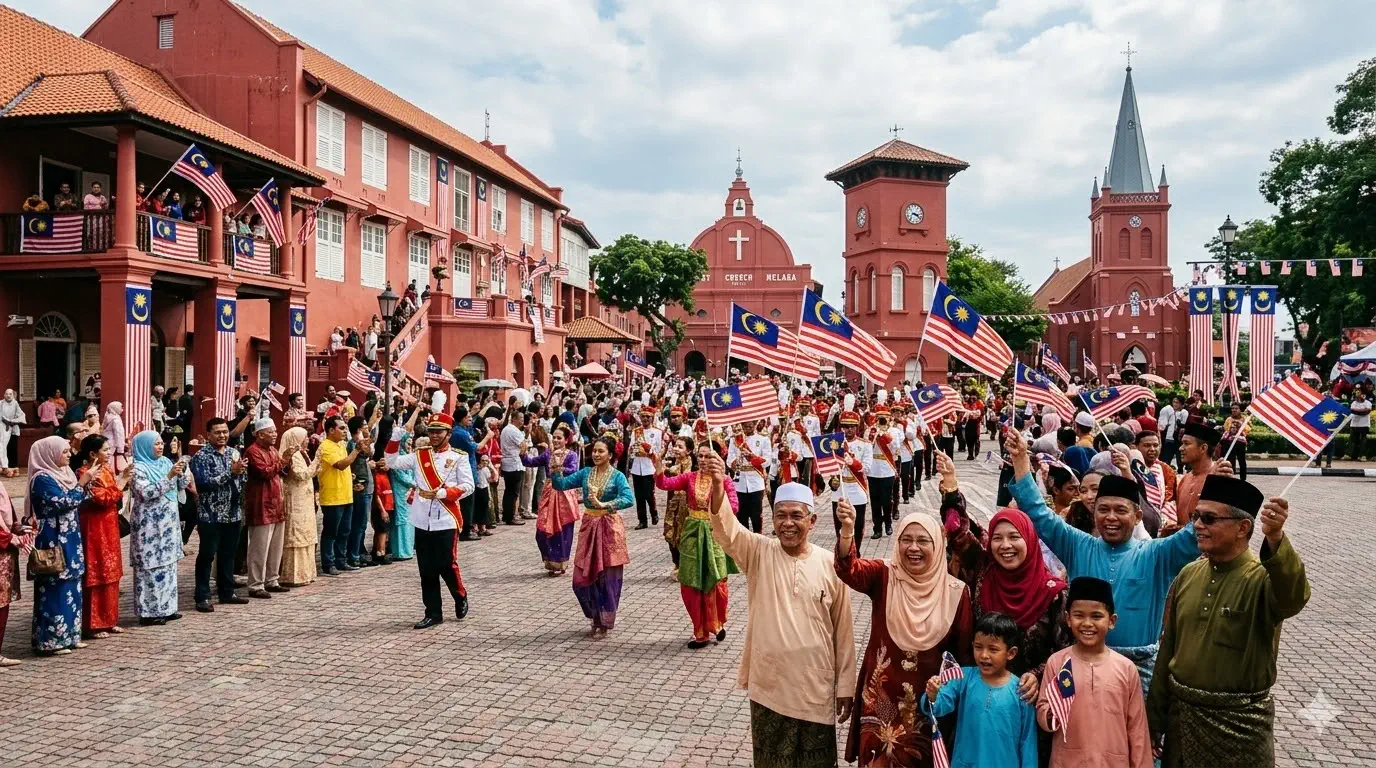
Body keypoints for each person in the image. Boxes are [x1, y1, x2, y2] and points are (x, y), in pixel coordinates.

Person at [1005, 431, 1200, 700]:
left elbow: (1197, 533)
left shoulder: (1158, 554)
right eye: (1103, 509)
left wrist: (1213, 480)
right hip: (1082, 665)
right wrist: (1021, 462)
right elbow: (1038, 513)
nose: (1111, 517)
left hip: (1138, 671)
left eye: (1121, 510)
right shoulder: (1077, 544)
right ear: (1093, 512)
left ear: (1137, 515)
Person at [1147, 476, 1310, 766]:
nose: (1197, 525)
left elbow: (1293, 597)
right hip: (1182, 721)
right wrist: (1154, 719)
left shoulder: (1262, 579)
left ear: (1242, 528)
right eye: (1196, 516)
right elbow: (1168, 648)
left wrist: (1275, 539)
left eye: (1209, 518)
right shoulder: (1188, 575)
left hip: (1240, 729)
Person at [710, 479, 855, 768]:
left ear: (812, 521)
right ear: (772, 519)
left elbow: (844, 631)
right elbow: (727, 531)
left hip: (815, 687)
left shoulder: (830, 564)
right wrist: (716, 486)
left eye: (796, 516)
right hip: (770, 688)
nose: (787, 524)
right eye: (781, 515)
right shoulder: (759, 552)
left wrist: (846, 687)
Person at [834, 498, 973, 766]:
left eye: (923, 541)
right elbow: (848, 569)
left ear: (938, 545)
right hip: (880, 703)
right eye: (905, 540)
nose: (913, 548)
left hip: (929, 706)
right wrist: (848, 530)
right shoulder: (885, 575)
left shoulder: (957, 593)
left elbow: (963, 657)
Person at [1036, 577, 1151, 768]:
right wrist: (1051, 714)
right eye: (1079, 615)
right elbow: (1043, 708)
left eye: (1096, 616)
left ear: (1112, 621)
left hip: (1113, 761)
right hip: (1067, 761)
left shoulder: (1126, 668)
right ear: (1068, 619)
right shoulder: (1057, 662)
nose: (1087, 623)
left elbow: (1137, 729)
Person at [381, 412, 473, 629]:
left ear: (448, 434)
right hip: (422, 519)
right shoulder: (419, 455)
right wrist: (398, 435)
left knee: (446, 565)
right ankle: (433, 612)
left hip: (446, 518)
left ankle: (460, 595)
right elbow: (392, 461)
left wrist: (444, 493)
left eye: (438, 431)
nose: (433, 435)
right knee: (426, 568)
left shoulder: (459, 457)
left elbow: (468, 486)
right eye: (431, 431)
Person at [921, 613, 1039, 768]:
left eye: (993, 649)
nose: (984, 655)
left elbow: (1028, 743)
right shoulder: (963, 678)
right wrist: (933, 695)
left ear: (1010, 653)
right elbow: (939, 706)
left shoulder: (1022, 690)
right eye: (978, 647)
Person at [654, 439, 739, 647]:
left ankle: (716, 624)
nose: (703, 460)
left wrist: (719, 494)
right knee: (692, 583)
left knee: (717, 581)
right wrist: (657, 467)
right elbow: (664, 484)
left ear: (718, 459)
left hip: (714, 534)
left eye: (708, 456)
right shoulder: (689, 478)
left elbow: (734, 506)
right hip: (692, 533)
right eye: (700, 456)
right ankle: (699, 631)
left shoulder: (725, 481)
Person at [548, 435, 634, 638]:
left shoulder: (617, 476)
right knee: (582, 577)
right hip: (589, 526)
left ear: (610, 455)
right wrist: (556, 469)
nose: (596, 454)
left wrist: (607, 505)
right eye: (594, 450)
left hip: (609, 527)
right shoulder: (586, 473)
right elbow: (561, 486)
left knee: (606, 576)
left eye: (601, 451)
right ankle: (594, 615)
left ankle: (603, 622)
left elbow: (628, 498)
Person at [27, 435, 96, 655]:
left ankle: (71, 635)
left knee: (72, 585)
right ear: (50, 453)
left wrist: (86, 486)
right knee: (55, 586)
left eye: (68, 451)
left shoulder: (64, 474)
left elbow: (78, 500)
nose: (69, 455)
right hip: (53, 536)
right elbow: (62, 503)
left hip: (71, 535)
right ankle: (51, 641)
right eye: (64, 451)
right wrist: (82, 483)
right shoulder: (42, 478)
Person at [128, 430, 190, 625]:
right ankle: (149, 613)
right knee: (151, 567)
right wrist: (170, 475)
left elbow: (182, 484)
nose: (160, 446)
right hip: (149, 527)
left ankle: (168, 608)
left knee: (168, 566)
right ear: (144, 446)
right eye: (155, 444)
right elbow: (147, 492)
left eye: (161, 443)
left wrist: (182, 468)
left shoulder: (164, 462)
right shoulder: (137, 469)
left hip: (168, 524)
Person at [189, 417, 249, 612]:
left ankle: (227, 591)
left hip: (232, 513)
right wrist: (230, 473)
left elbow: (241, 478)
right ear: (209, 435)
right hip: (211, 514)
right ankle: (202, 596)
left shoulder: (233, 453)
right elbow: (203, 485)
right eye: (217, 432)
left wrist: (241, 472)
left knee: (229, 554)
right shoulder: (201, 456)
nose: (222, 435)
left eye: (224, 432)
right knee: (207, 555)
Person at [74, 434, 129, 639]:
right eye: (105, 450)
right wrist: (121, 483)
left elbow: (113, 497)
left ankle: (109, 619)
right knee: (96, 572)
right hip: (93, 528)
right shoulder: (85, 473)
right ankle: (93, 623)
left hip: (109, 525)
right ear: (92, 453)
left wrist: (120, 482)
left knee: (111, 570)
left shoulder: (106, 470)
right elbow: (102, 498)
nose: (108, 453)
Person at [244, 419, 289, 598]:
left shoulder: (273, 449)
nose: (274, 435)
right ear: (259, 434)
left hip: (276, 503)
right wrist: (283, 461)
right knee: (259, 547)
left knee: (276, 546)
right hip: (261, 504)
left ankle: (272, 579)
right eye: (270, 432)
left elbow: (281, 471)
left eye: (275, 431)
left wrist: (286, 462)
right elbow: (265, 472)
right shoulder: (252, 451)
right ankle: (255, 584)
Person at [532, 424, 581, 575]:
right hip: (549, 492)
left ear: (566, 440)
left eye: (559, 438)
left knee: (563, 529)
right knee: (543, 529)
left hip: (565, 494)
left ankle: (560, 563)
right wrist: (521, 454)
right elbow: (531, 462)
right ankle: (550, 561)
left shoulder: (571, 455)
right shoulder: (548, 454)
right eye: (554, 437)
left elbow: (573, 470)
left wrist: (560, 468)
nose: (556, 440)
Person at [276, 426, 320, 587]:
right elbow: (301, 474)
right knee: (296, 534)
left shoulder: (303, 453)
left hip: (305, 499)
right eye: (304, 437)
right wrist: (317, 461)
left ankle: (306, 573)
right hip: (295, 499)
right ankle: (291, 575)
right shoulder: (293, 456)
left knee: (306, 533)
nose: (307, 440)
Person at [317, 416, 360, 575]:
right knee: (331, 531)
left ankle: (341, 561)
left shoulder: (341, 444)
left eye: (345, 428)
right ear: (330, 430)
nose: (345, 431)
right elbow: (341, 465)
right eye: (341, 428)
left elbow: (346, 464)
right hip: (332, 496)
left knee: (345, 530)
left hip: (346, 494)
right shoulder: (325, 446)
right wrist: (357, 450)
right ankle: (328, 563)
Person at [726, 420, 770, 534]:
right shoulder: (734, 440)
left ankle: (758, 540)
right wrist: (736, 461)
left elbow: (767, 461)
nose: (748, 426)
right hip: (739, 482)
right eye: (745, 424)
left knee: (756, 515)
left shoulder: (763, 439)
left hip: (755, 482)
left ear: (755, 424)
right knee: (741, 515)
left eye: (751, 424)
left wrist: (751, 457)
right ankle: (744, 542)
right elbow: (729, 459)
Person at [1173, 422, 1221, 524]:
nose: (1180, 448)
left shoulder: (1218, 478)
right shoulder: (1185, 479)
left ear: (1203, 448)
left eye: (1186, 443)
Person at [626, 405, 664, 529]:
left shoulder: (658, 432)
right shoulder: (635, 431)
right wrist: (634, 451)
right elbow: (630, 448)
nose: (645, 419)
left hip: (650, 467)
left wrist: (648, 452)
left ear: (652, 417)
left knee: (649, 494)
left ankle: (654, 513)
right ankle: (642, 520)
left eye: (648, 416)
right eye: (643, 416)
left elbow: (659, 451)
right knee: (639, 495)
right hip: (637, 467)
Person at [0, 478, 24, 666]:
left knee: (2, 602)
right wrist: (8, 537)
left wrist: (19, 529)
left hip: (5, 553)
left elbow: (8, 515)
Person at [500, 410, 528, 525]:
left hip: (507, 463)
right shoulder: (513, 430)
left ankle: (507, 515)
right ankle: (511, 516)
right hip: (514, 463)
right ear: (514, 419)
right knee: (513, 492)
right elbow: (523, 445)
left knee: (508, 491)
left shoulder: (506, 429)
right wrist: (523, 456)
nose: (522, 421)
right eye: (521, 418)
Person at [0, 389, 25, 476]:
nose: (8, 396)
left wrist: (12, 421)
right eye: (6, 394)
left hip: (13, 428)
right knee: (2, 447)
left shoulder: (15, 404)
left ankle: (13, 467)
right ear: (4, 395)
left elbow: (22, 416)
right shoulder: (1, 403)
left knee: (12, 448)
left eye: (10, 394)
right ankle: (5, 468)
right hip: (2, 428)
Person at [1349, 388, 1371, 460]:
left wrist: (1358, 411)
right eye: (1357, 394)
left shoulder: (1368, 403)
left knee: (1363, 441)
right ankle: (1352, 456)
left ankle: (1362, 455)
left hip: (1364, 424)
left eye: (1360, 394)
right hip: (1354, 424)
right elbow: (1353, 411)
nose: (1359, 396)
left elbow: (1366, 411)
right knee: (1353, 441)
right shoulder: (1353, 403)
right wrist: (1362, 411)